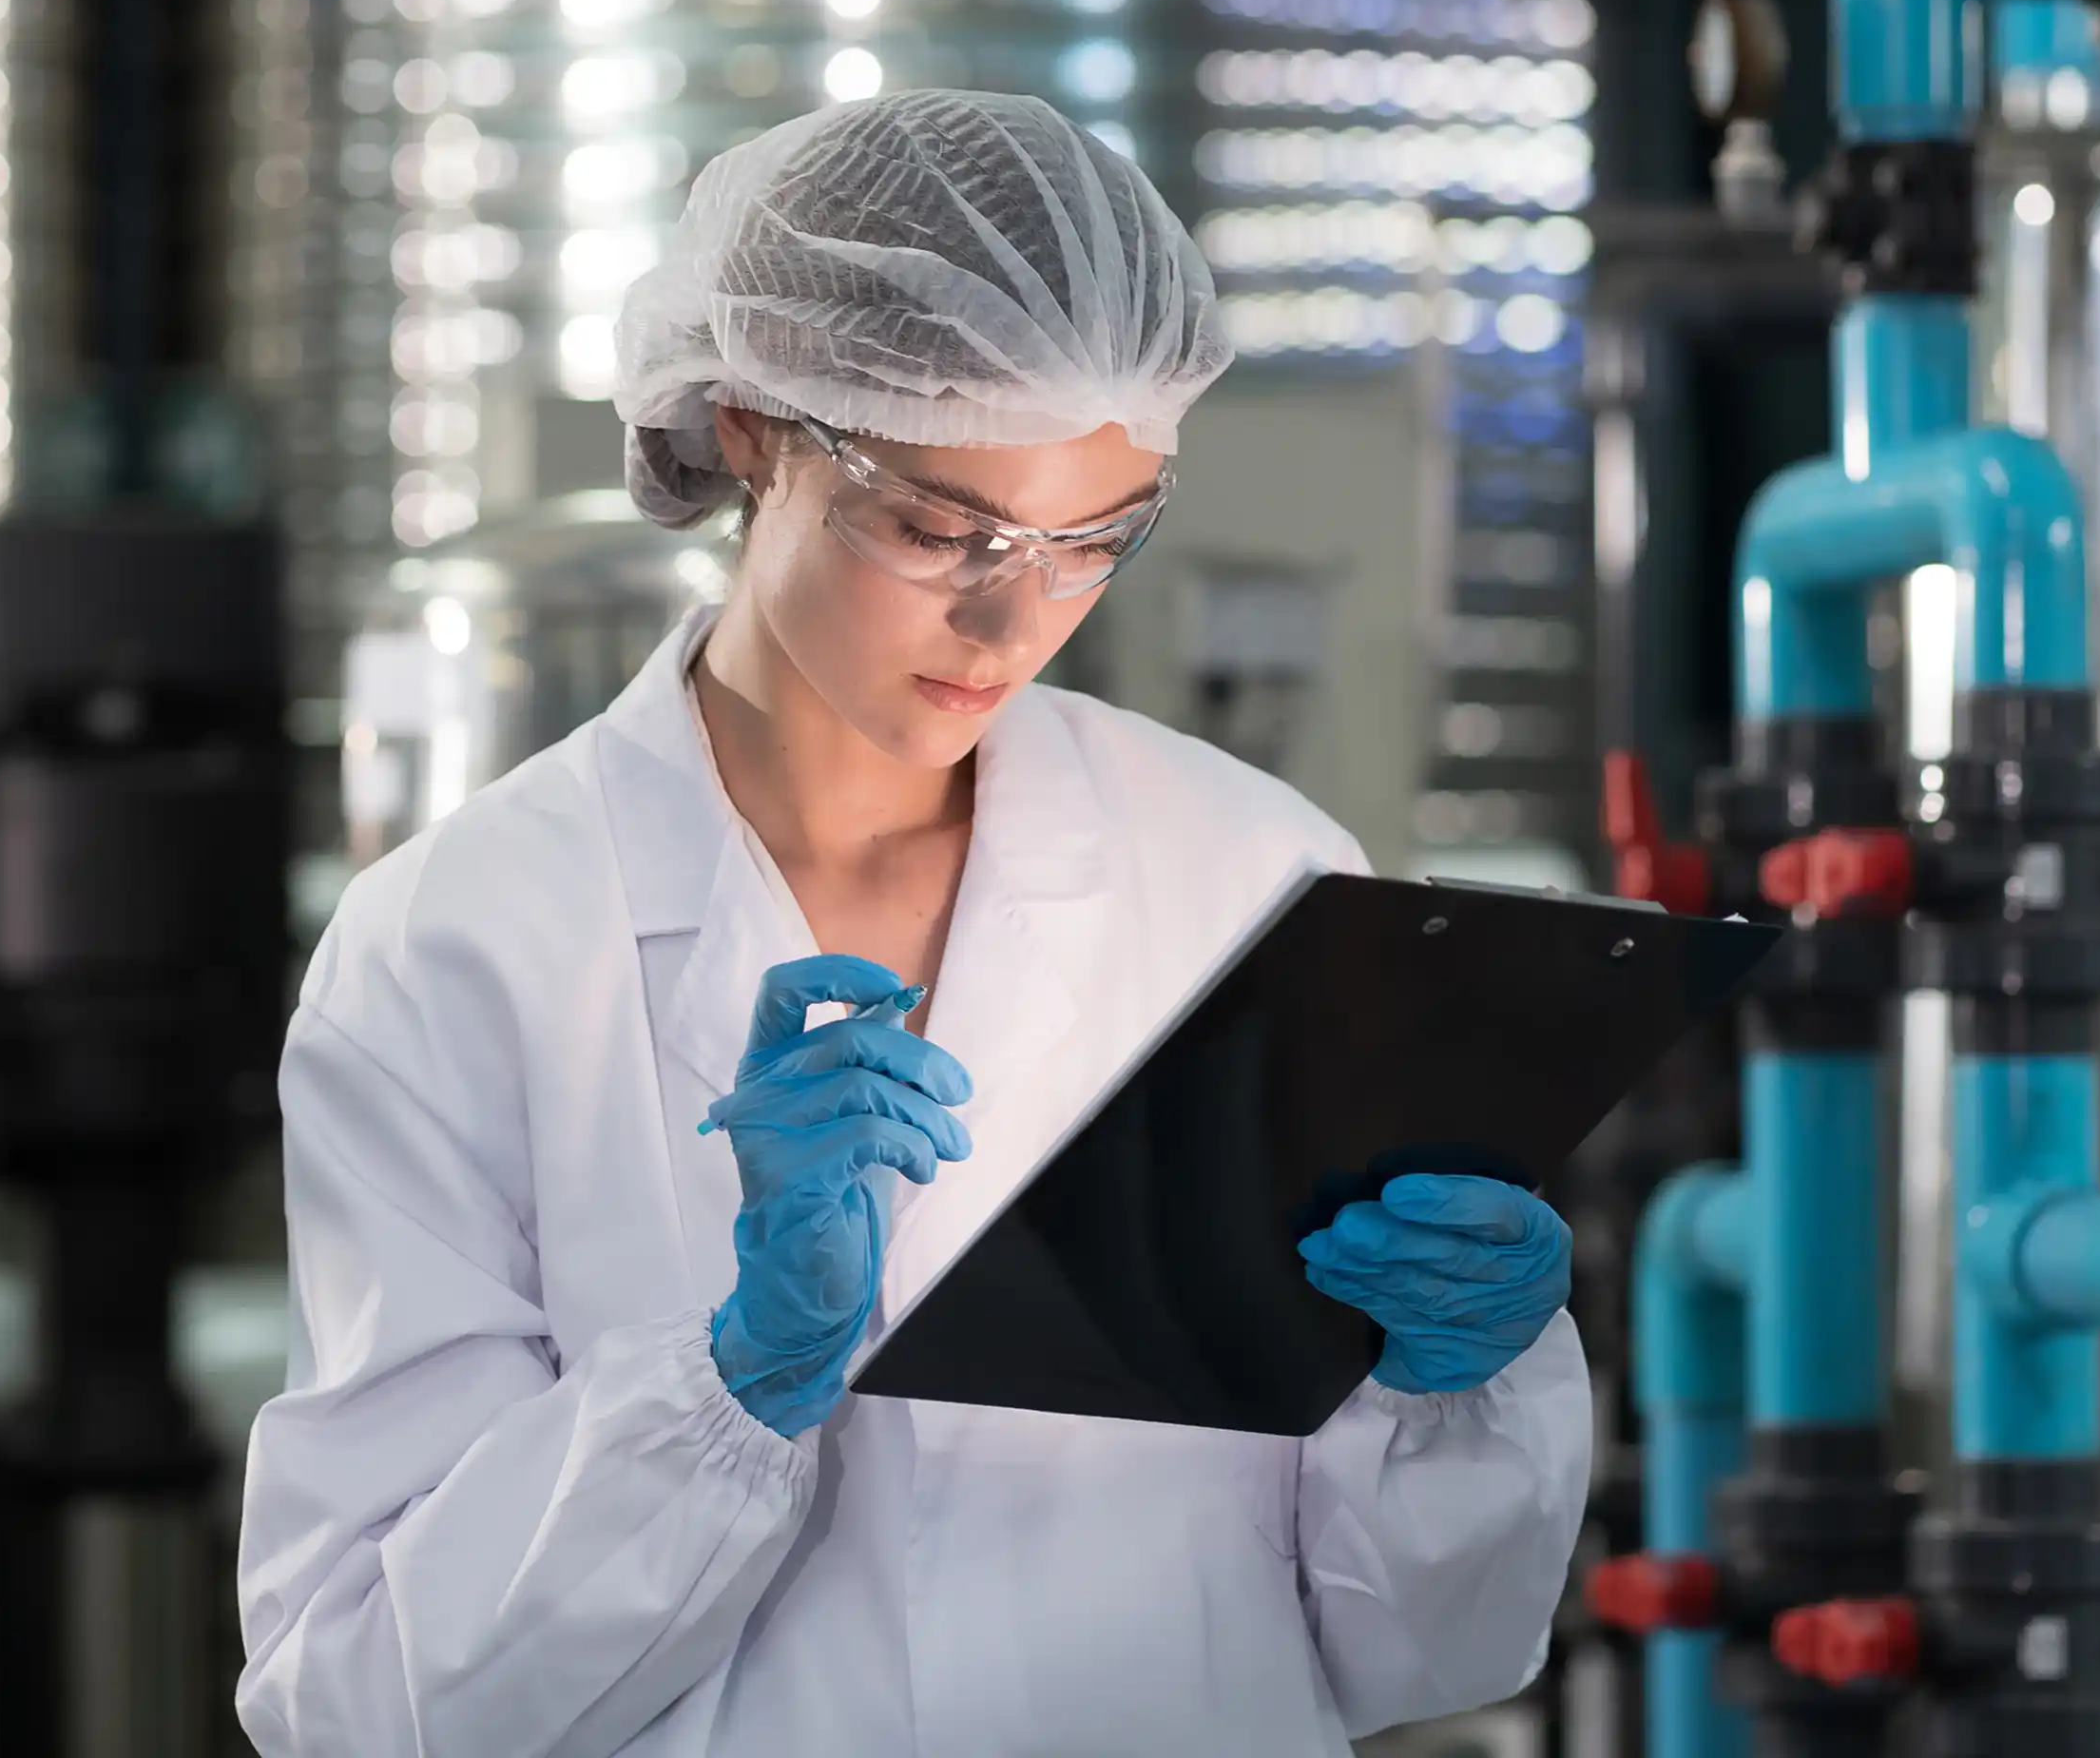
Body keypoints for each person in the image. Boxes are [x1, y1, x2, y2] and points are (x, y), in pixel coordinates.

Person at [238, 90, 1589, 1756]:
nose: (1013, 618)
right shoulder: (458, 951)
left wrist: (1451, 1393)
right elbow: (361, 1700)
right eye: (941, 529)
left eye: (1093, 541)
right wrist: (730, 1387)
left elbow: (1429, 1654)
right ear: (748, 427)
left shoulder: (1249, 876)